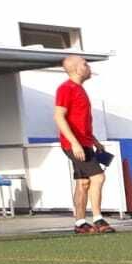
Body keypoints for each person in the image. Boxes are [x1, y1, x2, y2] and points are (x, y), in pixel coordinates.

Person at [53, 54, 112, 234]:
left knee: (83, 182)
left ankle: (80, 223)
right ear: (78, 68)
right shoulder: (66, 88)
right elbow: (58, 116)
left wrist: (94, 141)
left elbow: (79, 121)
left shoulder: (79, 89)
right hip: (74, 145)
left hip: (84, 142)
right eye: (85, 64)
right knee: (98, 177)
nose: (88, 67)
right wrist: (75, 144)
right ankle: (98, 219)